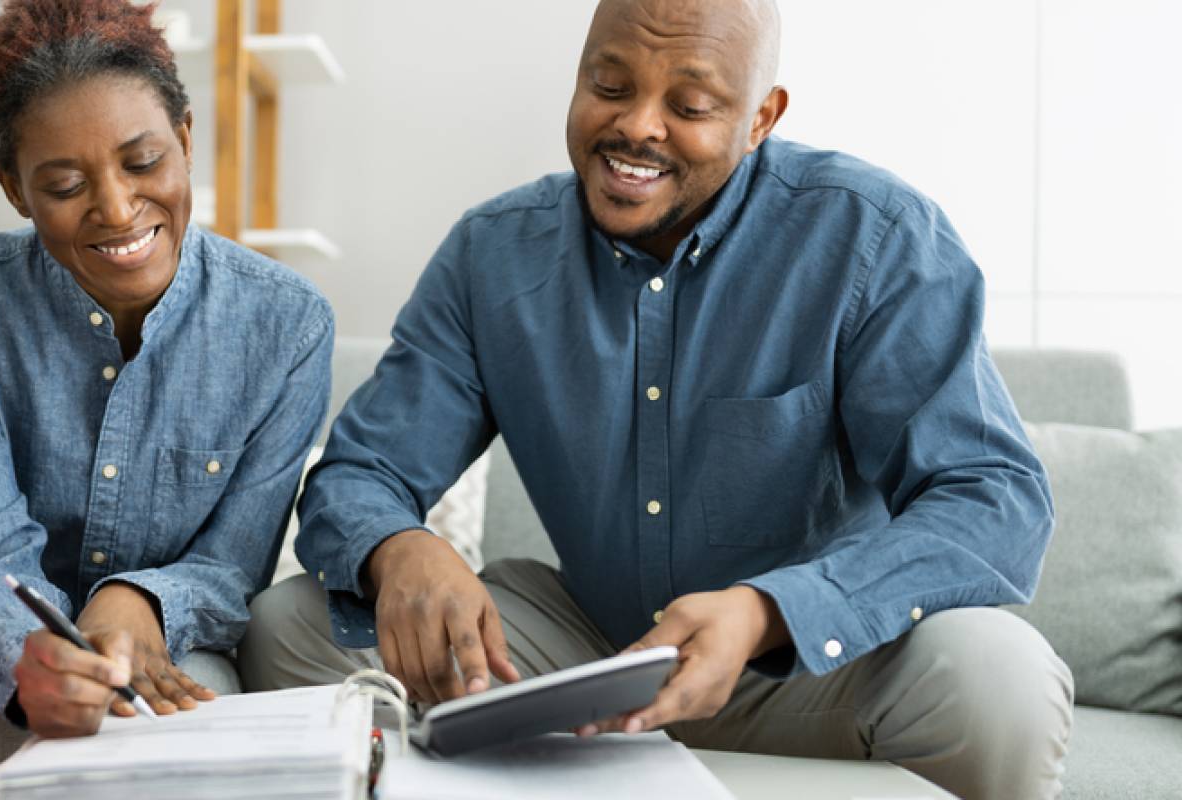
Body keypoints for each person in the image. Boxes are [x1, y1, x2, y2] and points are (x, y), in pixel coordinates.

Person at [238, 0, 1072, 797]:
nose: (637, 124)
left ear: (761, 118)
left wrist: (767, 611)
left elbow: (994, 500)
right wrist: (399, 548)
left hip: (803, 666)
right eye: (609, 86)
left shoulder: (875, 237)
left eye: (691, 102)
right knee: (293, 627)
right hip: (583, 656)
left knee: (999, 679)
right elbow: (360, 474)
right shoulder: (490, 256)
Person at [0, 0, 332, 739]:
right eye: (65, 187)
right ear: (13, 189)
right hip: (9, 652)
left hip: (178, 643)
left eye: (143, 162)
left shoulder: (287, 327)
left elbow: (232, 566)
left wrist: (138, 602)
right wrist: (24, 654)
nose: (118, 207)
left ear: (185, 140)